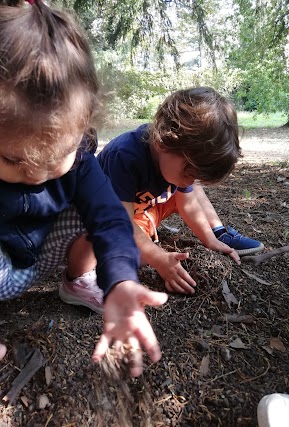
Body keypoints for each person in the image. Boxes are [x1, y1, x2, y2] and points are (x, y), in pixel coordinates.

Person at [0, 0, 168, 377]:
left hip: (39, 259)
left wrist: (121, 281)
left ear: (82, 128)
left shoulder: (79, 159)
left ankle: (78, 283)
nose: (37, 175)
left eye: (54, 157)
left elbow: (111, 221)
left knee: (96, 208)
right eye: (13, 160)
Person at [66, 87, 264, 299]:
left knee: (191, 191)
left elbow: (187, 203)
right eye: (189, 173)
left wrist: (208, 240)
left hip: (144, 209)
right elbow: (119, 222)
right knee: (111, 249)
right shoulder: (125, 156)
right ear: (162, 142)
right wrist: (158, 257)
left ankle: (218, 233)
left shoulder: (172, 159)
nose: (190, 179)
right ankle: (76, 281)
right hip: (108, 217)